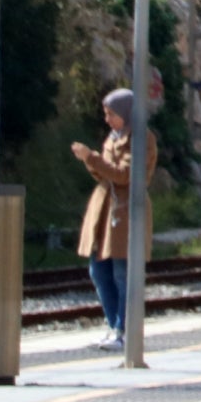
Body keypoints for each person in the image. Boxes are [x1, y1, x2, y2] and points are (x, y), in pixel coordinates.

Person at [72, 89, 154, 349]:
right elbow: (105, 174)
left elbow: (124, 175)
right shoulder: (114, 136)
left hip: (127, 210)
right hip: (106, 209)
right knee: (99, 270)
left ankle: (124, 330)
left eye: (111, 114)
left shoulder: (141, 138)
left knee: (122, 272)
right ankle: (113, 325)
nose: (106, 119)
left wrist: (91, 157)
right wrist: (92, 162)